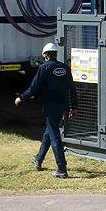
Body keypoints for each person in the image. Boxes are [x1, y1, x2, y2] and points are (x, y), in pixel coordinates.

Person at [14, 43, 77, 178]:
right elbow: (72, 88)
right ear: (55, 55)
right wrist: (74, 107)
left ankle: (61, 169)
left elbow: (34, 88)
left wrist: (21, 98)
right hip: (63, 106)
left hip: (50, 106)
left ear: (46, 56)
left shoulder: (44, 68)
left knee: (54, 136)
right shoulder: (65, 68)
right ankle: (39, 158)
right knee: (49, 132)